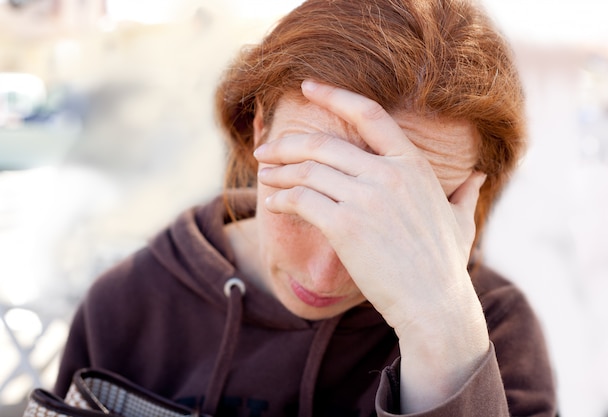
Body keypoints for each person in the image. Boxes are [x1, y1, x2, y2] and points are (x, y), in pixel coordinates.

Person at [53, 0, 557, 416]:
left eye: (394, 217)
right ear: (259, 129)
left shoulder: (493, 333)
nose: (323, 276)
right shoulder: (128, 306)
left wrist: (441, 330)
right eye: (307, 195)